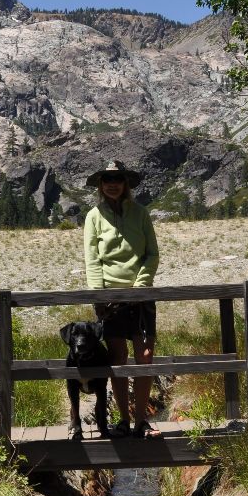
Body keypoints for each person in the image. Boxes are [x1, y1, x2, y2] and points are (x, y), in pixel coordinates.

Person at [83, 160, 161, 439]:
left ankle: (141, 420)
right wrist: (99, 294)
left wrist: (141, 286)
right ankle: (124, 420)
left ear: (125, 183)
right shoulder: (93, 216)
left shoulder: (140, 213)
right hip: (110, 300)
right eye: (107, 179)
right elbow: (92, 259)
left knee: (145, 357)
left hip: (141, 295)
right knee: (117, 358)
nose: (112, 184)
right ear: (101, 185)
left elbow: (152, 254)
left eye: (117, 179)